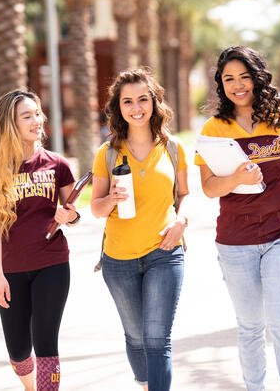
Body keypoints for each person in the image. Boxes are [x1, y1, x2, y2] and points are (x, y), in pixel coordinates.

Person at [195, 46, 280, 391]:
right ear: (220, 85)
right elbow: (209, 188)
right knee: (250, 326)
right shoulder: (213, 128)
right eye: (228, 79)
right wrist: (237, 179)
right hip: (235, 241)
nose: (237, 85)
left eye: (244, 76)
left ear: (257, 78)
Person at [90, 68, 190, 391]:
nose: (136, 108)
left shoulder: (173, 148)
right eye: (128, 101)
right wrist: (111, 199)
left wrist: (181, 222)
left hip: (164, 252)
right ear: (118, 107)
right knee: (136, 337)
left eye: (143, 100)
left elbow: (185, 195)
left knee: (157, 339)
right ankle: (147, 384)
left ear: (155, 102)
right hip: (119, 260)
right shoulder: (106, 153)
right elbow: (95, 208)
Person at [0, 90, 79, 391]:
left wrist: (69, 216)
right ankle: (29, 386)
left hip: (53, 263)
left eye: (38, 113)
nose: (37, 120)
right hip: (12, 270)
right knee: (19, 350)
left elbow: (73, 214)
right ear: (11, 124)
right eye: (28, 116)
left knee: (47, 341)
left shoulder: (57, 164)